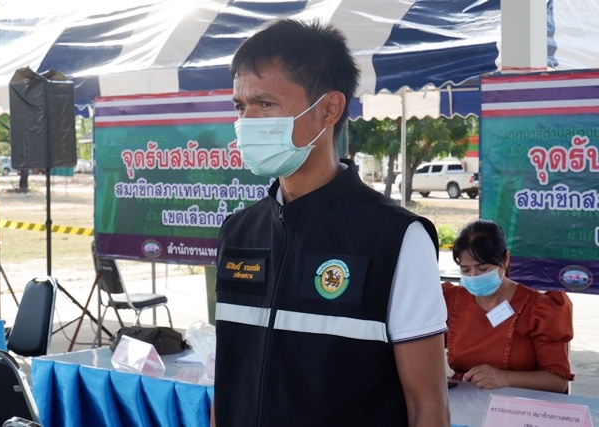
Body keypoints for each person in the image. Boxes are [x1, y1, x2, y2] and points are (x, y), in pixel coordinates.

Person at [213, 19, 450, 426]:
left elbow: (427, 406)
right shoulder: (238, 232)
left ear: (329, 109)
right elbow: (229, 381)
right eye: (240, 106)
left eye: (265, 104)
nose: (247, 122)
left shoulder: (398, 239)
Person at [442, 219, 574, 393]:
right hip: (465, 400)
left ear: (505, 260)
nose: (474, 276)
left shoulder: (539, 309)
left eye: (483, 269)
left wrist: (504, 378)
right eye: (466, 270)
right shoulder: (451, 301)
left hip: (520, 405)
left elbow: (558, 381)